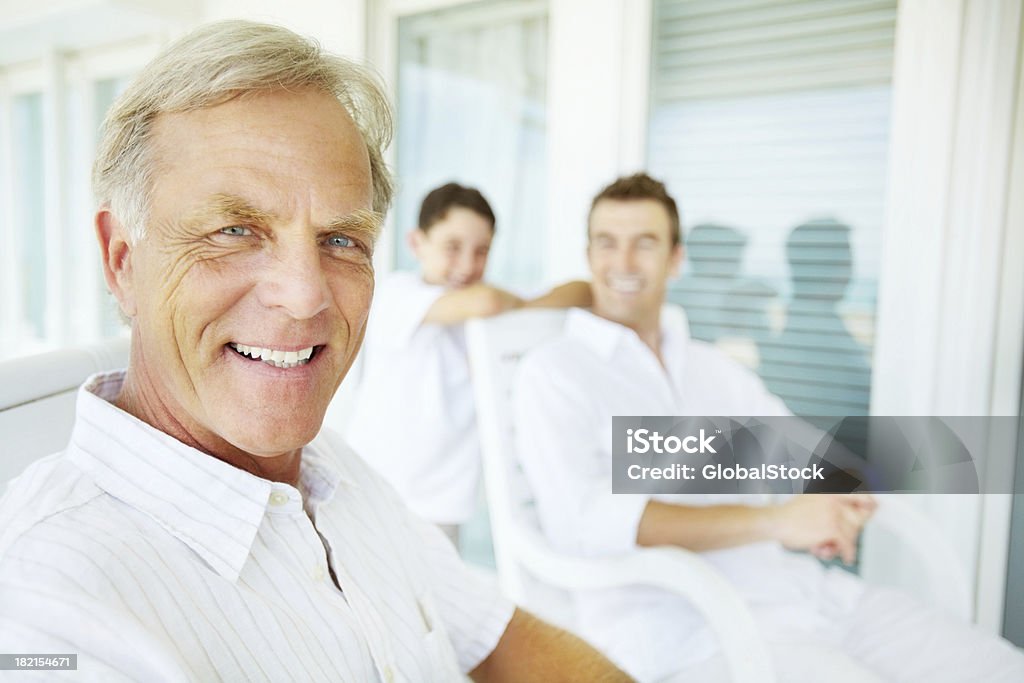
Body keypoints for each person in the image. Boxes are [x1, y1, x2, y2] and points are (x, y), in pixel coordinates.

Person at [0, 21, 631, 682]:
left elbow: (498, 634)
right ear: (123, 260)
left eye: (340, 239)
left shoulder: (332, 471)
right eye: (234, 229)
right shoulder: (44, 603)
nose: (305, 297)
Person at [513, 172, 1024, 682]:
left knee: (1000, 668)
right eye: (607, 243)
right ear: (588, 255)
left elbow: (798, 452)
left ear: (675, 258)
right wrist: (779, 523)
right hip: (694, 633)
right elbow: (587, 524)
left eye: (643, 243)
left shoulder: (712, 368)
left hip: (810, 598)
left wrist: (839, 494)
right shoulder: (556, 371)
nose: (622, 263)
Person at [348, 183, 589, 542]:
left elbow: (583, 291)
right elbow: (487, 302)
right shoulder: (398, 294)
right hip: (378, 490)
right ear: (416, 243)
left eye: (481, 251)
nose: (467, 264)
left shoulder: (493, 305)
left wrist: (521, 306)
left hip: (443, 500)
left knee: (435, 594)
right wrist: (523, 307)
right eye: (452, 247)